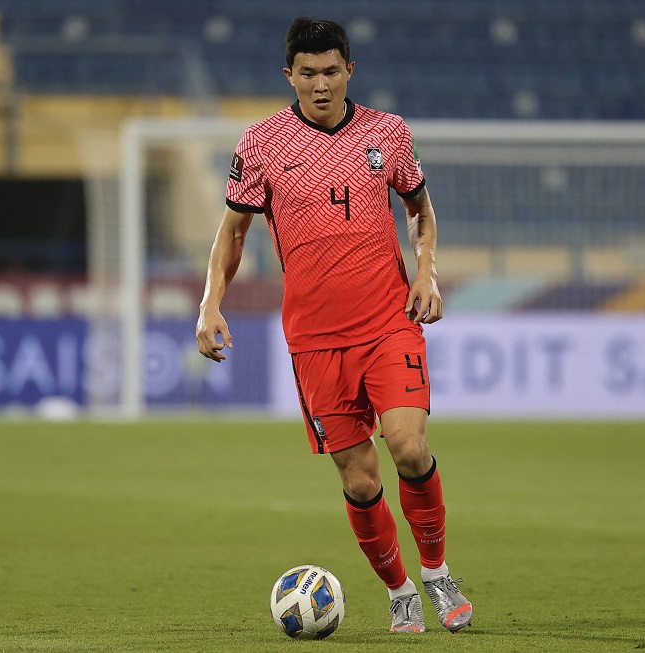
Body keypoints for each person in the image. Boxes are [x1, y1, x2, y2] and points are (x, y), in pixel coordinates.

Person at [195, 16, 473, 634]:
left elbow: (420, 210)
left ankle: (436, 572)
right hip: (315, 340)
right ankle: (400, 591)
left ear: (349, 70)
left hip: (389, 321)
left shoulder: (388, 133)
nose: (320, 84)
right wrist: (211, 302)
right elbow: (233, 233)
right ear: (288, 75)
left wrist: (426, 272)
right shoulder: (262, 144)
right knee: (360, 477)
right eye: (307, 73)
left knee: (408, 446)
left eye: (330, 71)